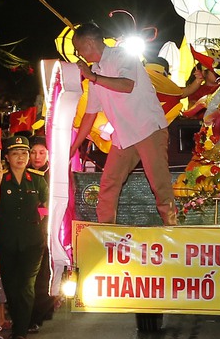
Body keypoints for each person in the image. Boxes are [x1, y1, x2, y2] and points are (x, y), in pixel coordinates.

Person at [72, 24, 177, 225]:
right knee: (108, 184)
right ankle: (105, 232)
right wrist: (74, 147)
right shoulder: (94, 70)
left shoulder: (122, 56)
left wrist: (93, 77)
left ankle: (173, 229)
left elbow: (126, 85)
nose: (78, 54)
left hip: (148, 129)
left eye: (79, 49)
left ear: (89, 43)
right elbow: (90, 114)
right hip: (123, 137)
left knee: (159, 184)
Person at [0, 133, 50, 339]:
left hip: (32, 241)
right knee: (12, 285)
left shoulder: (36, 179)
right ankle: (18, 324)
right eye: (16, 154)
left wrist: (40, 215)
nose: (22, 157)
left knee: (27, 285)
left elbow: (47, 202)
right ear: (7, 157)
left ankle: (21, 333)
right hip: (6, 240)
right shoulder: (1, 179)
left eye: (24, 153)